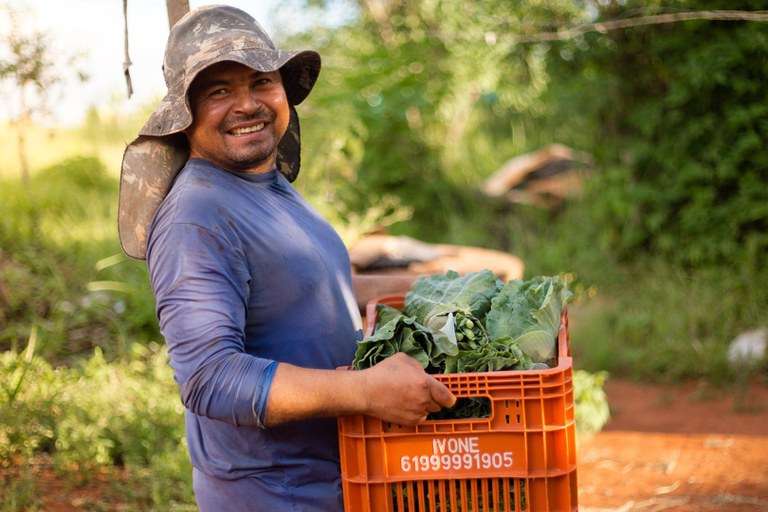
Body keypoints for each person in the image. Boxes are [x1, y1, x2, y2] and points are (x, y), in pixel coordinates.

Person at [116, 6, 456, 512]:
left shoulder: (269, 188)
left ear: (284, 91)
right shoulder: (197, 216)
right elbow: (211, 379)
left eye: (260, 82)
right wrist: (364, 391)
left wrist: (432, 297)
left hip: (332, 483)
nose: (246, 104)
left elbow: (308, 293)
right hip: (273, 494)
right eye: (218, 91)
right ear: (184, 112)